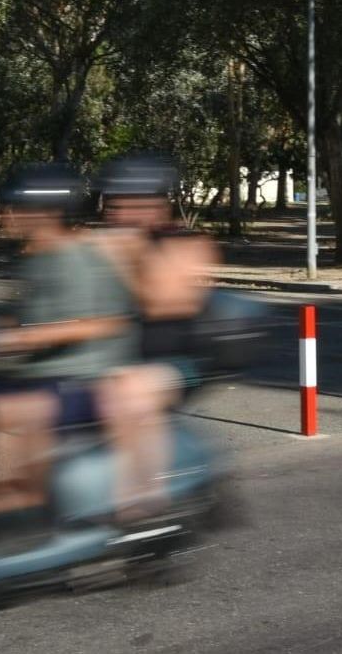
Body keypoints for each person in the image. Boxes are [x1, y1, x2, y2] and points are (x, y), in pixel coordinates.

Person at [0, 164, 136, 534]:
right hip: (40, 370)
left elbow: (104, 322)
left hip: (83, 374)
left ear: (43, 213)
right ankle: (9, 501)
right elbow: (23, 315)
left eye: (12, 208)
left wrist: (24, 338)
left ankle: (25, 508)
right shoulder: (35, 256)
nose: (2, 215)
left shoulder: (77, 256)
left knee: (18, 409)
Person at [92, 155, 220, 522]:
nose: (122, 214)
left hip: (179, 362)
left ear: (159, 205)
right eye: (116, 205)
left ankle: (143, 500)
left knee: (128, 389)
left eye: (133, 204)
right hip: (113, 356)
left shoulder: (186, 243)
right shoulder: (106, 244)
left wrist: (129, 256)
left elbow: (164, 300)